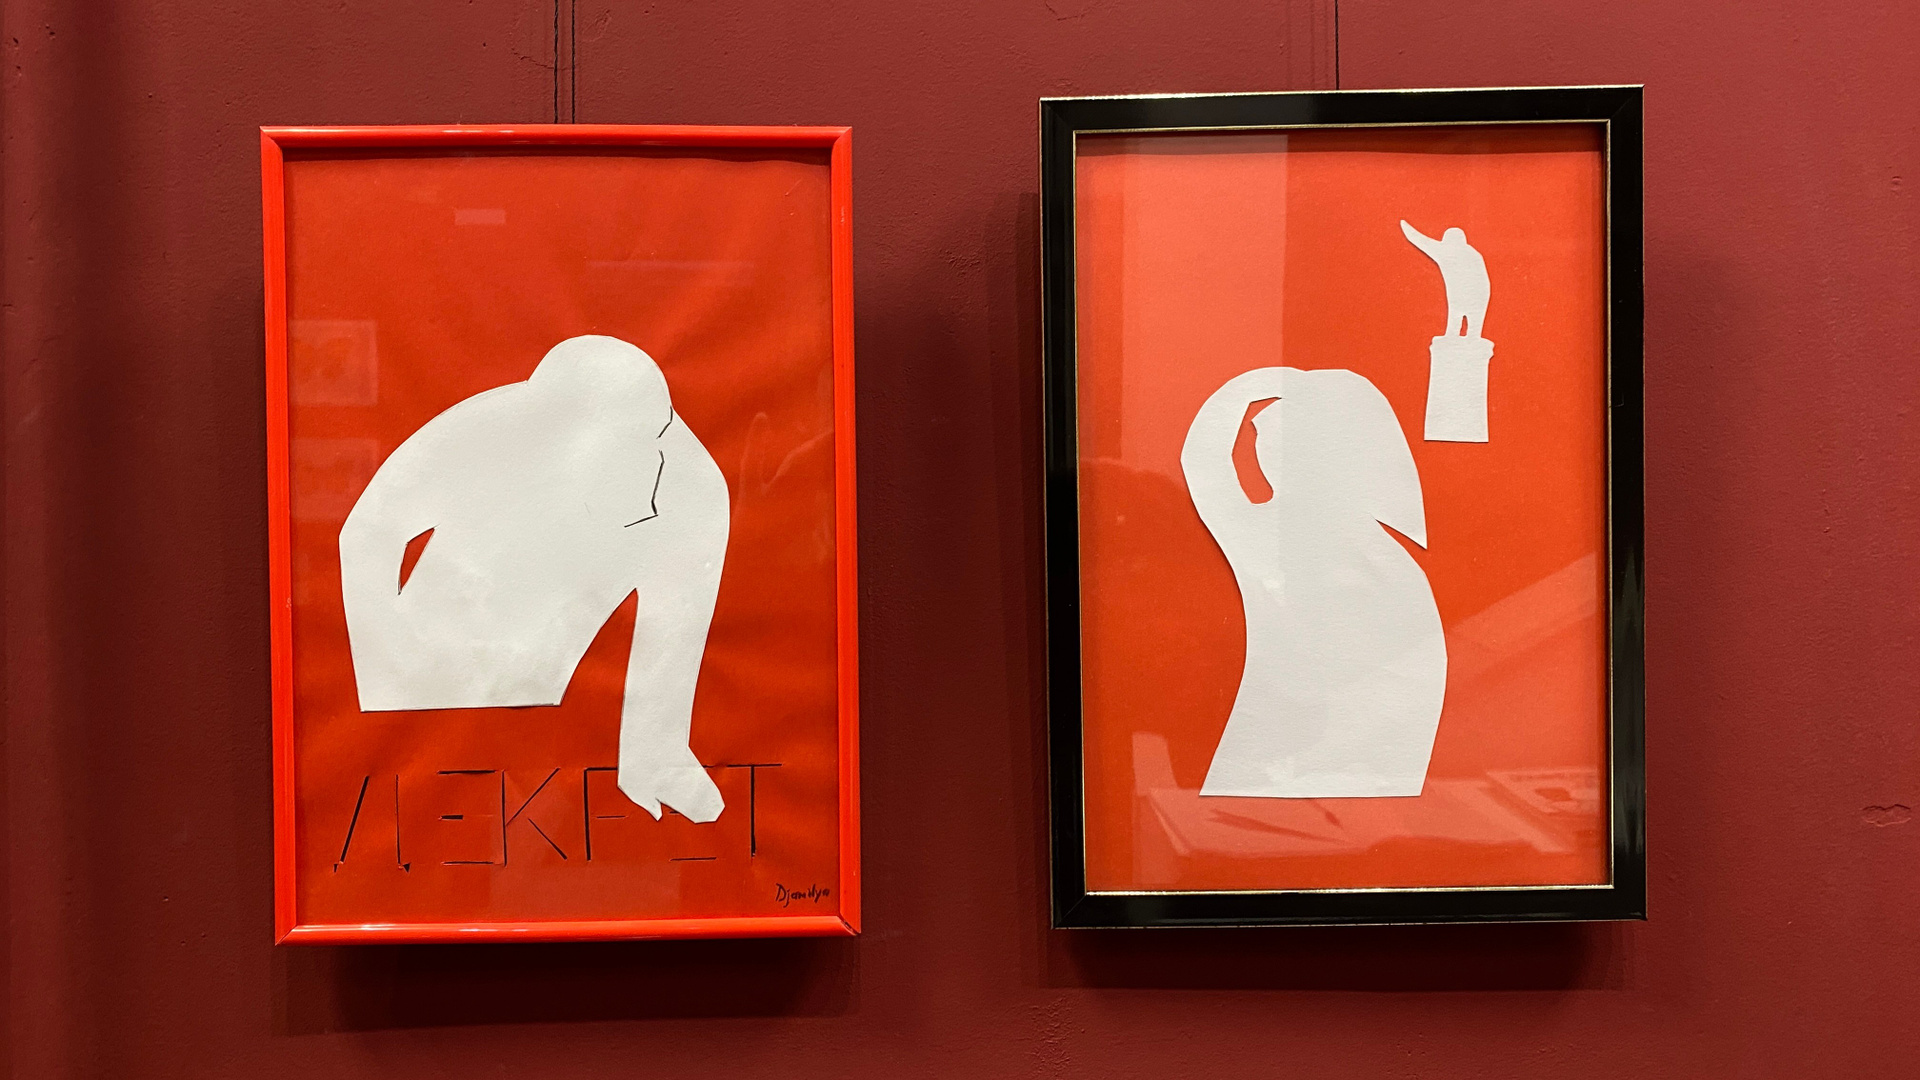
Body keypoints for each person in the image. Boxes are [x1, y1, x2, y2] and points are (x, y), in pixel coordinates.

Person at [339, 335, 731, 823]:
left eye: (651, 446)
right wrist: (388, 673)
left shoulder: (692, 493)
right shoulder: (480, 434)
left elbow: (672, 639)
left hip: (541, 695)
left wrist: (654, 755)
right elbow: (366, 535)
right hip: (432, 664)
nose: (652, 475)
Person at [1181, 366, 1447, 798]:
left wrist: (1255, 384)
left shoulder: (1271, 534)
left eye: (1269, 443)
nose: (1260, 454)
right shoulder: (1390, 559)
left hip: (1288, 760)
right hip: (1361, 762)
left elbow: (1205, 463)